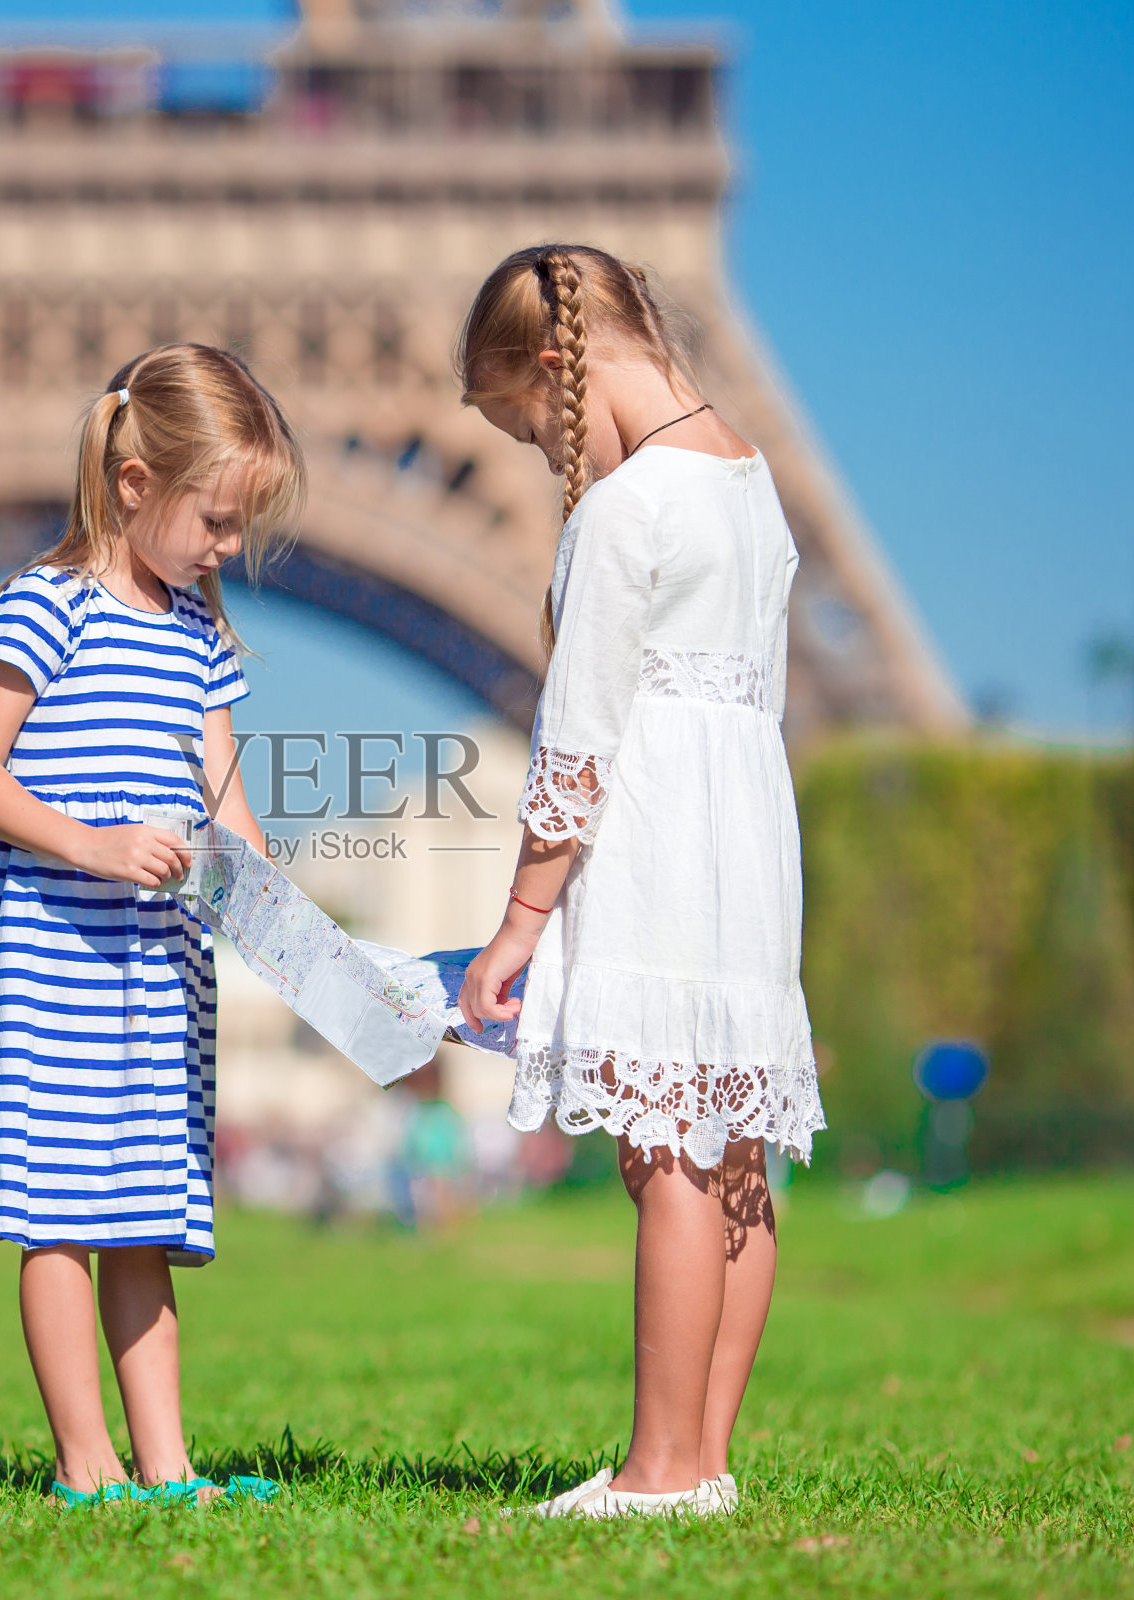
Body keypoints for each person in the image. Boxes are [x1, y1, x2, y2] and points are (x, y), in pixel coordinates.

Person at [455, 246, 825, 1519]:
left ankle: (659, 1470)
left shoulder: (623, 509)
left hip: (655, 831)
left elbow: (578, 736)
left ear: (554, 366)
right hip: (745, 832)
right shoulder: (751, 480)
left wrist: (514, 926)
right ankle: (704, 1457)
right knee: (729, 1155)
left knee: (665, 1154)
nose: (538, 452)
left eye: (522, 425)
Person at [0, 344, 302, 1508]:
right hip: (52, 962)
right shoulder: (41, 605)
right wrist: (92, 842)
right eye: (218, 519)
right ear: (136, 482)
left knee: (141, 1219)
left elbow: (226, 807)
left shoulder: (202, 639)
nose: (229, 549)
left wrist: (283, 919)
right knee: (55, 1220)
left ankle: (168, 1463)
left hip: (155, 973)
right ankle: (84, 1463)